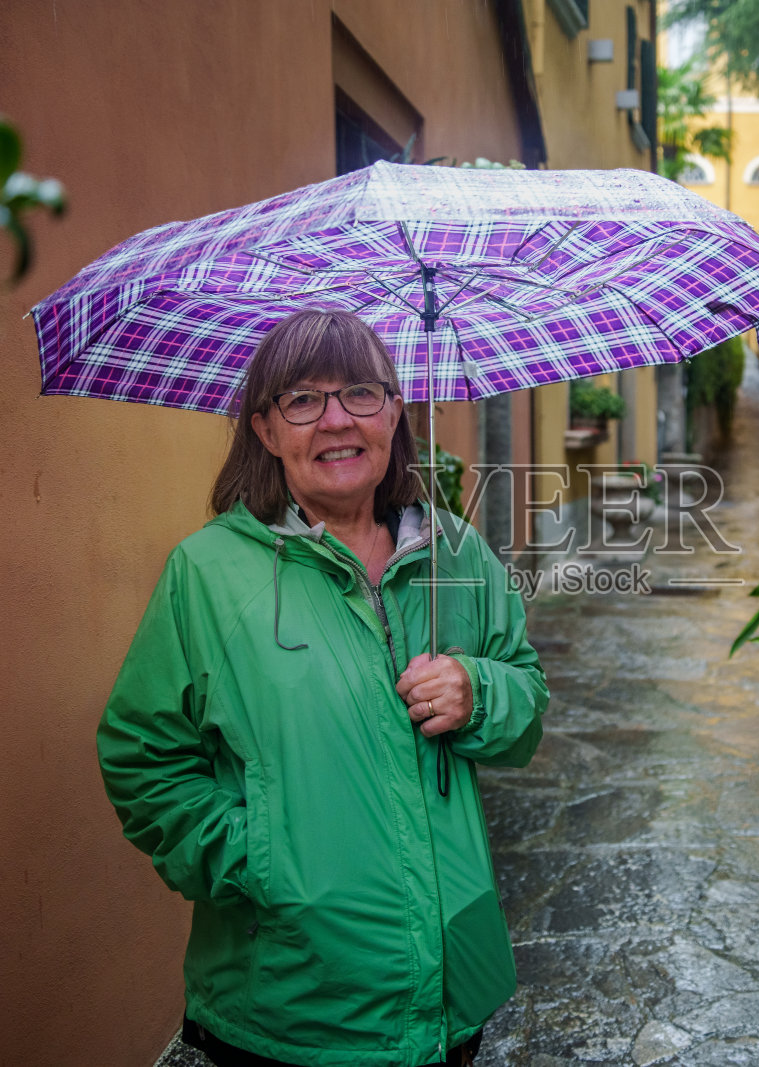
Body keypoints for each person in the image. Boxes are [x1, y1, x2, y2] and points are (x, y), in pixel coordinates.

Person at [97, 309, 547, 1066]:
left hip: (449, 984)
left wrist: (480, 691)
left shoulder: (456, 552)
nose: (337, 419)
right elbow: (143, 758)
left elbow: (526, 701)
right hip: (292, 1000)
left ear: (396, 412)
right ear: (266, 430)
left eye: (362, 394)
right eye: (302, 399)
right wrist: (259, 858)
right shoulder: (208, 574)